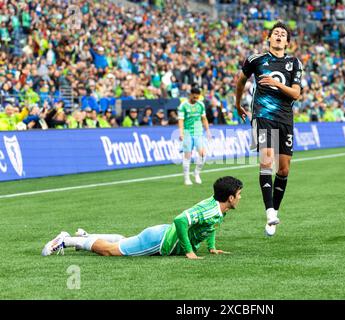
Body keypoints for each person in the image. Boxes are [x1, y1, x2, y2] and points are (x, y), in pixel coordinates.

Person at [41, 176, 243, 260]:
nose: (241, 198)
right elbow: (181, 220)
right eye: (239, 194)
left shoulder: (218, 208)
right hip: (160, 241)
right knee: (111, 252)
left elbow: (211, 226)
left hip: (161, 235)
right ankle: (66, 240)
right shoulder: (210, 210)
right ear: (230, 197)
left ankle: (86, 236)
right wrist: (189, 251)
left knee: (123, 241)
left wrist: (211, 247)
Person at [235, 22, 302, 236]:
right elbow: (241, 80)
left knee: (283, 169)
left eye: (283, 34)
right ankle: (270, 212)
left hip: (285, 118)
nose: (279, 36)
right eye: (276, 34)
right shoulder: (256, 60)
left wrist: (276, 83)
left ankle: (274, 212)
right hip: (262, 116)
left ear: (287, 41)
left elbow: (296, 94)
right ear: (269, 38)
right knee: (266, 161)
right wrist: (237, 103)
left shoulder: (294, 63)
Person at [178, 87, 211, 185]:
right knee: (187, 155)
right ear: (190, 95)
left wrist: (208, 130)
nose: (196, 98)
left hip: (198, 132)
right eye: (194, 97)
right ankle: (186, 178)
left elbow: (204, 119)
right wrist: (181, 133)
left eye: (198, 97)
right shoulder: (183, 105)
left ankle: (196, 173)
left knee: (203, 154)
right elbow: (180, 120)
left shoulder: (200, 105)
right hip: (187, 132)